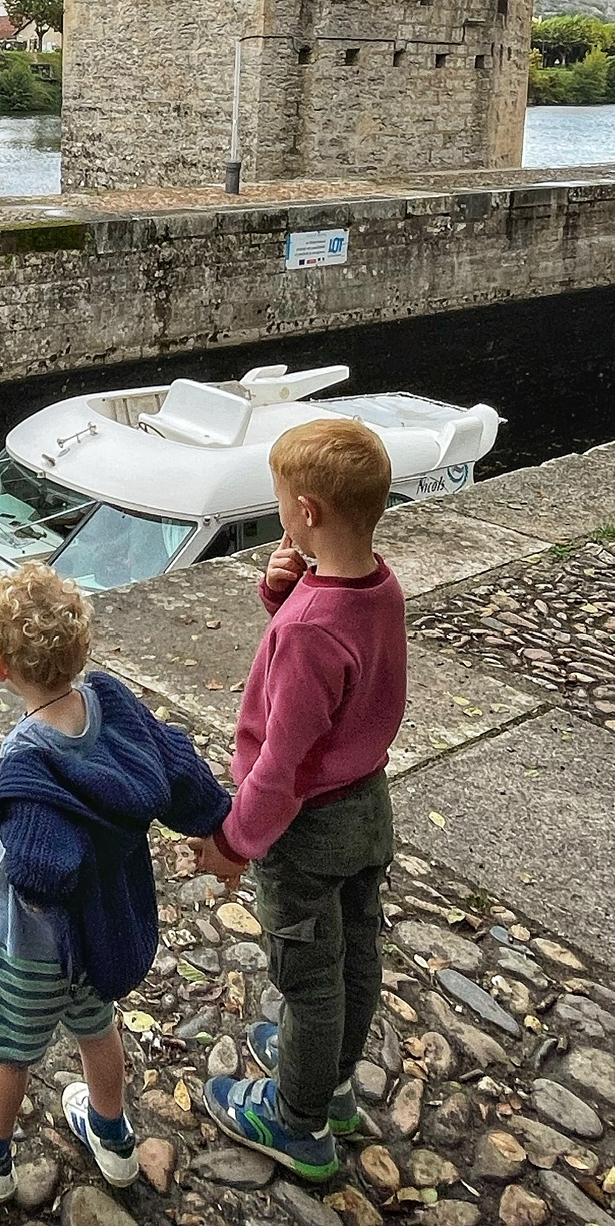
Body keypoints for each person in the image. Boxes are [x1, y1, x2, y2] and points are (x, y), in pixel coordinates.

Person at [0, 561, 231, 1202]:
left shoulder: (26, 757)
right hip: (105, 929)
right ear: (82, 648)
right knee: (97, 1026)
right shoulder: (111, 702)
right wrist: (216, 823)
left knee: (7, 1048)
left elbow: (38, 872)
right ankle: (113, 1140)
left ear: (0, 666)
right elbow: (174, 763)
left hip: (35, 949)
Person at [189, 417, 404, 1181]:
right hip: (366, 807)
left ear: (305, 510)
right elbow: (333, 660)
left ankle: (297, 1120)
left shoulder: (310, 629)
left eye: (281, 500)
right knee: (355, 953)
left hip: (307, 827)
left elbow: (283, 764)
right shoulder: (376, 584)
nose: (279, 511)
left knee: (309, 978)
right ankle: (332, 1083)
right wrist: (283, 587)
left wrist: (233, 841)